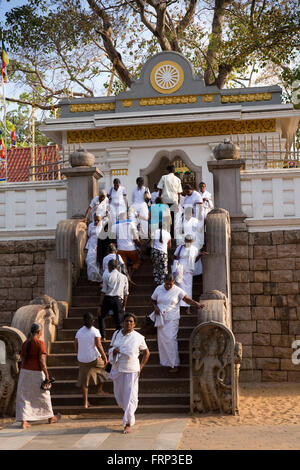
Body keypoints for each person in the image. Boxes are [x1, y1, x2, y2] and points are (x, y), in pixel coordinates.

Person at [151, 274, 204, 373]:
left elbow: (187, 299)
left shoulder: (177, 290)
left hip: (172, 318)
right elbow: (153, 299)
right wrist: (155, 307)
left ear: (173, 283)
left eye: (170, 284)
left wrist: (196, 304)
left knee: (171, 340)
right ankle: (166, 362)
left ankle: (174, 364)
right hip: (161, 318)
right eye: (166, 284)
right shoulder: (159, 288)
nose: (168, 286)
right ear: (164, 282)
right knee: (162, 341)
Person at [108, 313, 150, 433]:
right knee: (120, 397)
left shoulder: (138, 337)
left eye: (131, 321)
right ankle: (127, 414)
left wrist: (140, 367)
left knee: (130, 397)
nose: (128, 323)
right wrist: (114, 351)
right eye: (126, 321)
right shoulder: (116, 334)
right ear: (123, 322)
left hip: (132, 369)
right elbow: (111, 349)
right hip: (118, 368)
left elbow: (147, 353)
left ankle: (128, 422)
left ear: (134, 324)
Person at [16, 322, 61, 429]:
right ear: (39, 332)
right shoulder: (40, 343)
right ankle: (50, 417)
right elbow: (41, 360)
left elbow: (22, 359)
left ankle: (24, 421)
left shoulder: (25, 343)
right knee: (44, 394)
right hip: (36, 371)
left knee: (24, 396)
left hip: (24, 372)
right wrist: (47, 374)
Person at [74, 312, 109, 409]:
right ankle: (100, 390)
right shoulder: (95, 331)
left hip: (82, 359)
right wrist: (105, 357)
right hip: (94, 358)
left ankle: (85, 403)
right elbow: (99, 345)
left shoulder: (79, 332)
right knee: (106, 369)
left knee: (85, 381)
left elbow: (75, 344)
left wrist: (78, 353)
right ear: (93, 321)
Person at [173, 234, 206, 312]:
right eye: (187, 241)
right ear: (185, 241)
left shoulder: (194, 249)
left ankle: (187, 308)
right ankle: (178, 306)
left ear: (192, 241)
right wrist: (177, 266)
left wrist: (200, 255)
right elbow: (175, 256)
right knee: (179, 288)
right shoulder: (180, 248)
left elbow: (195, 260)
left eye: (190, 241)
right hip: (179, 271)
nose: (188, 242)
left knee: (188, 289)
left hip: (188, 271)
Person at [98, 259, 129, 341]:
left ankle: (103, 336)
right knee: (119, 320)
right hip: (118, 300)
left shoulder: (107, 276)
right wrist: (124, 306)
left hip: (108, 298)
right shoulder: (124, 277)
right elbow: (126, 294)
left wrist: (100, 306)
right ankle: (118, 338)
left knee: (101, 316)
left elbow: (103, 292)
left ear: (109, 267)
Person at [111, 211, 141, 279]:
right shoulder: (131, 223)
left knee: (123, 265)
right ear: (126, 217)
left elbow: (113, 238)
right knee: (137, 262)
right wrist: (139, 243)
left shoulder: (115, 225)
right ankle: (130, 275)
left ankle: (126, 276)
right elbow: (135, 237)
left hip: (120, 249)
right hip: (131, 249)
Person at [157, 165, 183, 237]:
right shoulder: (178, 179)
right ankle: (173, 236)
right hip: (174, 201)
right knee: (174, 219)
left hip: (165, 201)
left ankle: (166, 235)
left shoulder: (164, 177)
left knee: (165, 219)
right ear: (174, 171)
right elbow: (179, 193)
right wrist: (178, 203)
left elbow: (160, 189)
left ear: (167, 170)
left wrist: (159, 197)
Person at [151, 221, 171, 285]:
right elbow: (169, 245)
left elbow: (151, 244)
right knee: (164, 269)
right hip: (163, 253)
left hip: (155, 252)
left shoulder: (154, 232)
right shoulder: (168, 234)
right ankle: (163, 283)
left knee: (156, 268)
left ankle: (157, 282)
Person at [85, 214, 102, 282]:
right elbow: (88, 236)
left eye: (98, 220)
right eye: (95, 220)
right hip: (91, 244)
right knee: (89, 260)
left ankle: (99, 277)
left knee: (98, 262)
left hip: (100, 245)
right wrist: (85, 246)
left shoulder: (103, 225)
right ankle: (92, 277)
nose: (96, 222)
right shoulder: (91, 225)